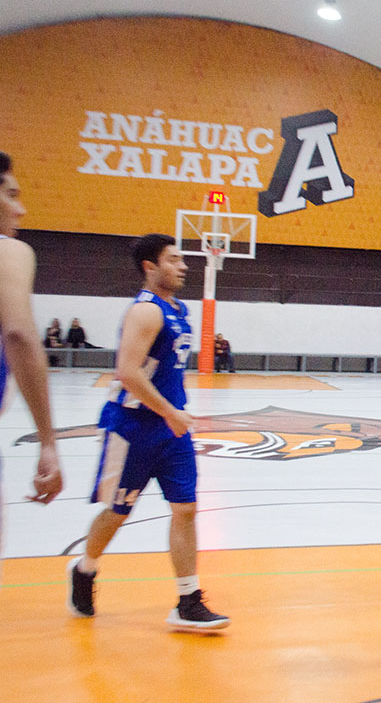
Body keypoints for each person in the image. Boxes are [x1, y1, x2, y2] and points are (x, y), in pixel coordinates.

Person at [69, 234, 228, 631]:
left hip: (171, 427)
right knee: (118, 512)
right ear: (150, 267)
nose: (184, 265)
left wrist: (174, 413)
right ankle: (85, 569)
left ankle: (188, 600)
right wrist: (171, 411)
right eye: (173, 259)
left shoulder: (180, 310)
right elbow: (127, 372)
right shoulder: (145, 312)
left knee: (186, 508)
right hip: (132, 427)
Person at [0, 152, 64, 573]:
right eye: (11, 195)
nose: (21, 208)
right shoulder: (10, 251)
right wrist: (48, 441)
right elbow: (19, 334)